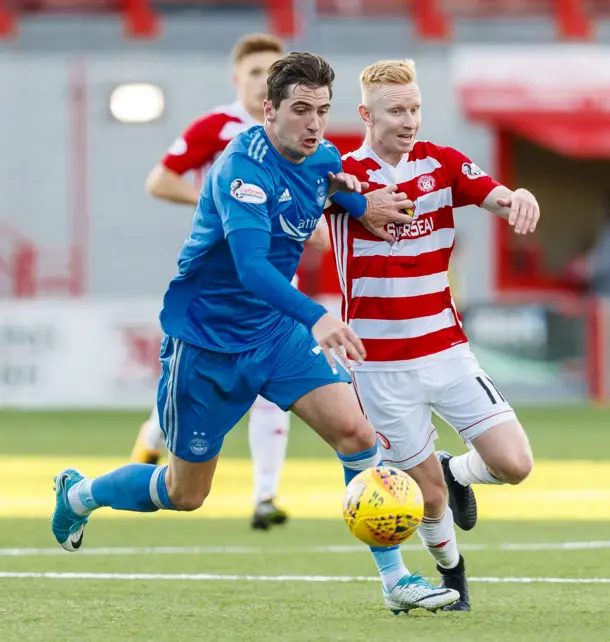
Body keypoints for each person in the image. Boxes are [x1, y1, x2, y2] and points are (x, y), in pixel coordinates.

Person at [51, 52, 459, 613]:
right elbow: (251, 267)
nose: (314, 123)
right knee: (184, 493)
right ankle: (79, 493)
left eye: (322, 110)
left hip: (273, 334)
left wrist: (362, 206)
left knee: (357, 434)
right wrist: (316, 315)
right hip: (207, 344)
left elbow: (331, 185)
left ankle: (396, 581)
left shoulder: (322, 156)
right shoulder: (241, 169)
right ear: (268, 110)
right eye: (300, 110)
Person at [326, 59, 540, 611]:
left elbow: (492, 193)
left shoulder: (441, 164)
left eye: (415, 108)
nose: (409, 119)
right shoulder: (345, 177)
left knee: (515, 464)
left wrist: (516, 196)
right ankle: (453, 573)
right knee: (427, 498)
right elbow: (311, 193)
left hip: (447, 350)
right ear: (365, 114)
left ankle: (458, 468)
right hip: (381, 368)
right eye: (396, 110)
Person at [130, 33, 330, 530]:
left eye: (271, 70)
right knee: (192, 398)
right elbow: (159, 180)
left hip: (273, 288)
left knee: (271, 391)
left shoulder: (304, 134)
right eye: (254, 72)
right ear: (238, 80)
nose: (264, 78)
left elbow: (322, 196)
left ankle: (265, 495)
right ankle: (149, 448)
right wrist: (218, 204)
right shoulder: (220, 128)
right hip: (219, 288)